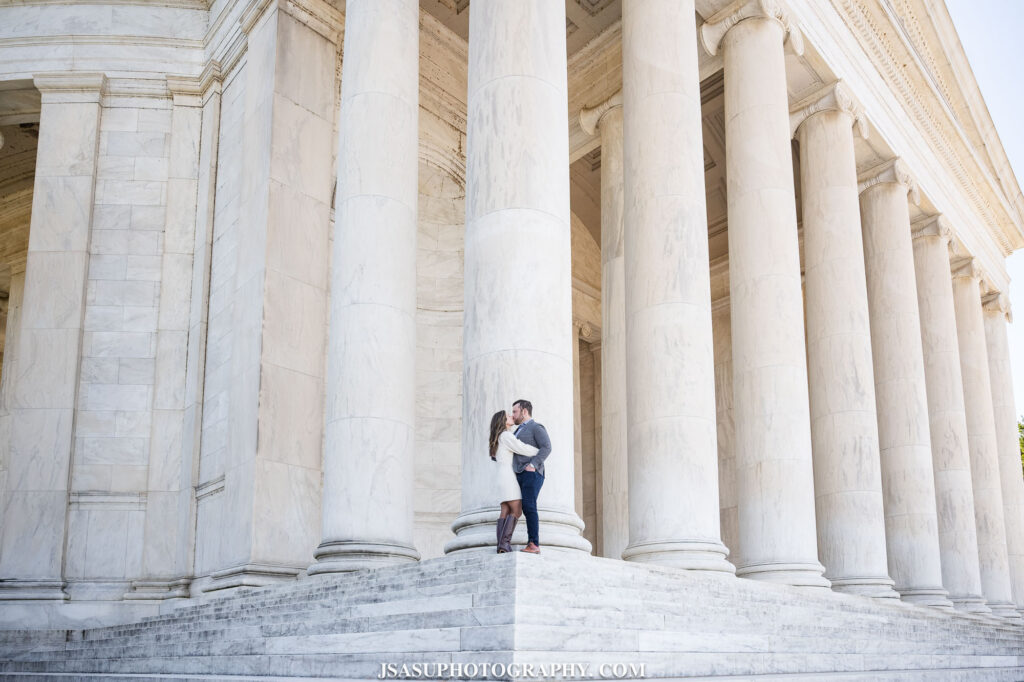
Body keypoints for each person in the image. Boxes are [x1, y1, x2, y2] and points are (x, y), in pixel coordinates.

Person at [487, 410, 538, 553]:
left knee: (505, 509)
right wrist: (538, 451)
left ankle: (501, 545)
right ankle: (504, 543)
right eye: (508, 416)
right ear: (503, 421)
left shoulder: (497, 438)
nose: (511, 416)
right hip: (508, 476)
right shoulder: (506, 435)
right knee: (517, 510)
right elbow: (521, 448)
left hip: (500, 477)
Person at [510, 398, 549, 554]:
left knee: (529, 506)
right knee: (522, 507)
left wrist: (533, 465)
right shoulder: (517, 430)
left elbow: (547, 447)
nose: (513, 415)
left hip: (532, 474)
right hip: (519, 473)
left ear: (524, 411)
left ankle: (534, 543)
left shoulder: (536, 427)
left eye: (515, 411)